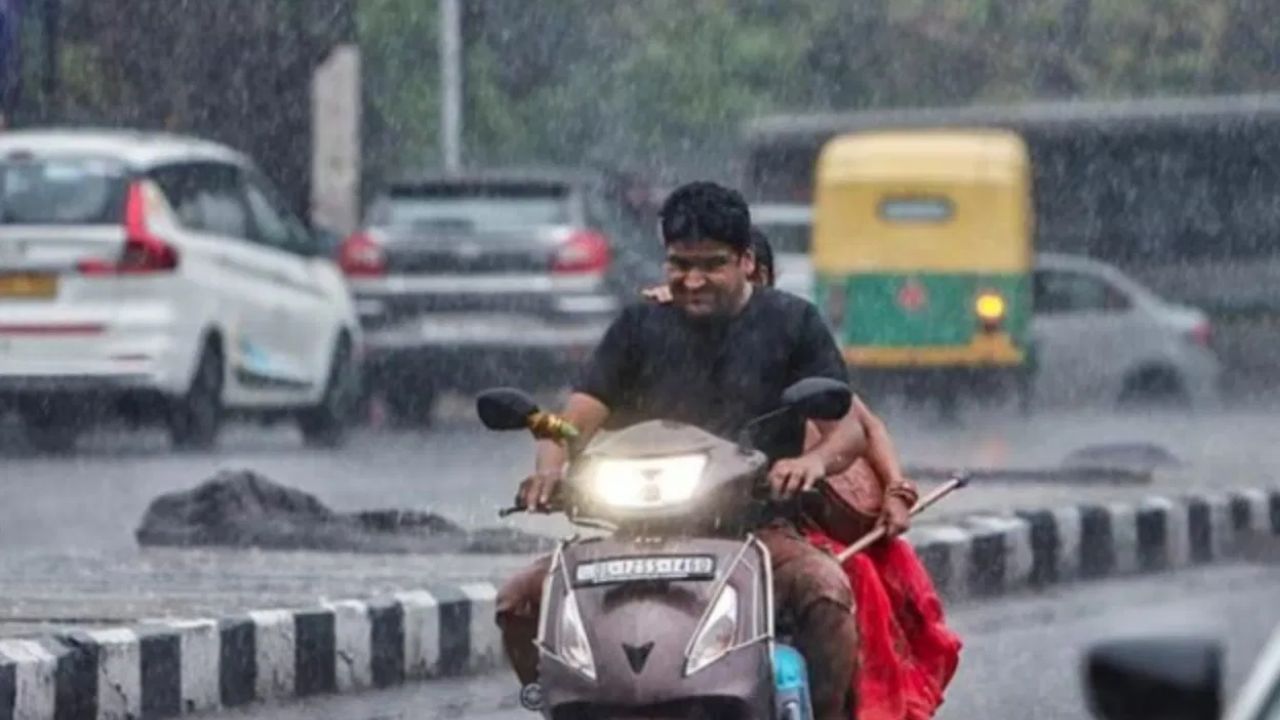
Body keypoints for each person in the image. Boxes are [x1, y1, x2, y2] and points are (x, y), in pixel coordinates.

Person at [496, 181, 868, 720]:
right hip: (629, 532)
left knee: (826, 594)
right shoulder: (638, 327)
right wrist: (550, 471)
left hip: (753, 530)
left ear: (746, 261)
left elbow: (848, 429)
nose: (692, 280)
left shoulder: (793, 323)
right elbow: (568, 426)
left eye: (711, 265)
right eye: (679, 264)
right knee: (518, 601)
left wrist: (810, 462)